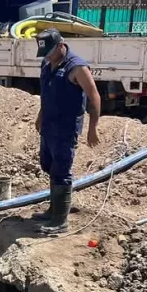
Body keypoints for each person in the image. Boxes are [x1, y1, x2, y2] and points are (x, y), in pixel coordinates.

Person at [33, 28, 101, 234]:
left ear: (61, 45)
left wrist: (93, 128)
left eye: (51, 52)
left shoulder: (77, 67)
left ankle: (60, 221)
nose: (48, 57)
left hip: (65, 128)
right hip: (49, 126)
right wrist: (40, 115)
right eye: (45, 53)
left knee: (61, 170)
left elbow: (94, 96)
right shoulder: (46, 63)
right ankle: (54, 209)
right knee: (47, 165)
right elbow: (46, 93)